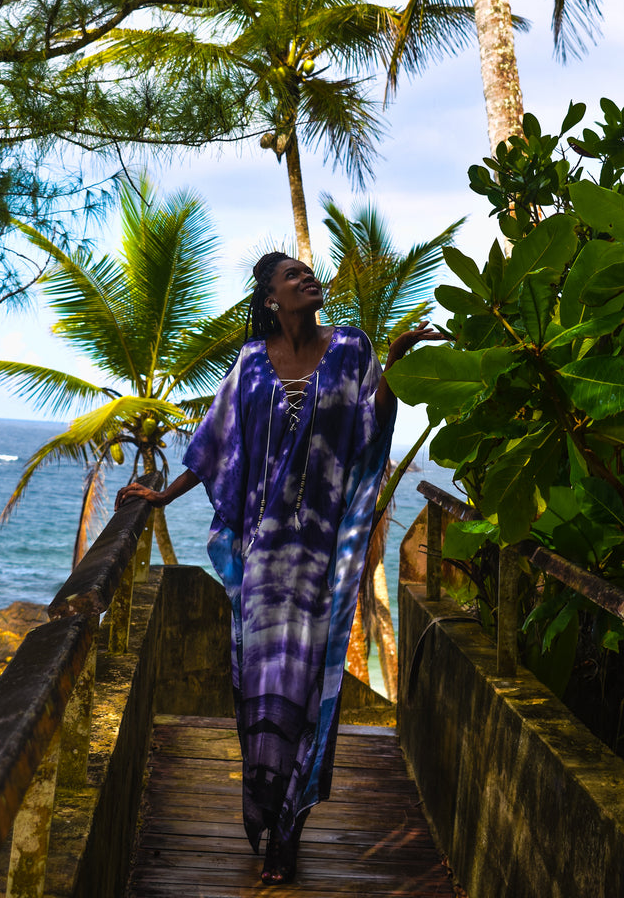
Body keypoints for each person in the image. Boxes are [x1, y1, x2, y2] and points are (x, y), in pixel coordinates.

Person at [116, 252, 442, 885]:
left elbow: (372, 428)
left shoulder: (351, 348)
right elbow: (215, 449)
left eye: (308, 272)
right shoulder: (250, 367)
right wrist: (161, 495)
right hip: (265, 561)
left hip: (320, 558)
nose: (308, 279)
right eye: (293, 276)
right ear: (271, 297)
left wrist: (394, 365)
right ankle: (263, 811)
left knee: (307, 689)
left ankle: (288, 832)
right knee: (260, 692)